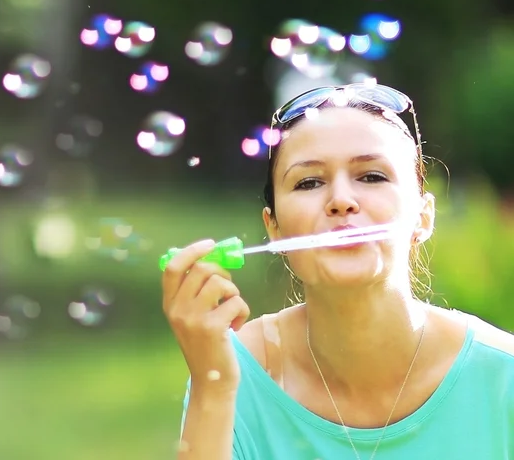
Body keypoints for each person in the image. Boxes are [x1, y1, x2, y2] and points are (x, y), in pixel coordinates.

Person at [162, 83, 514, 460]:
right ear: (274, 229)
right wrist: (211, 387)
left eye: (372, 176)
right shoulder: (232, 374)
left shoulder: (503, 379)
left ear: (423, 217)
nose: (341, 201)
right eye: (309, 182)